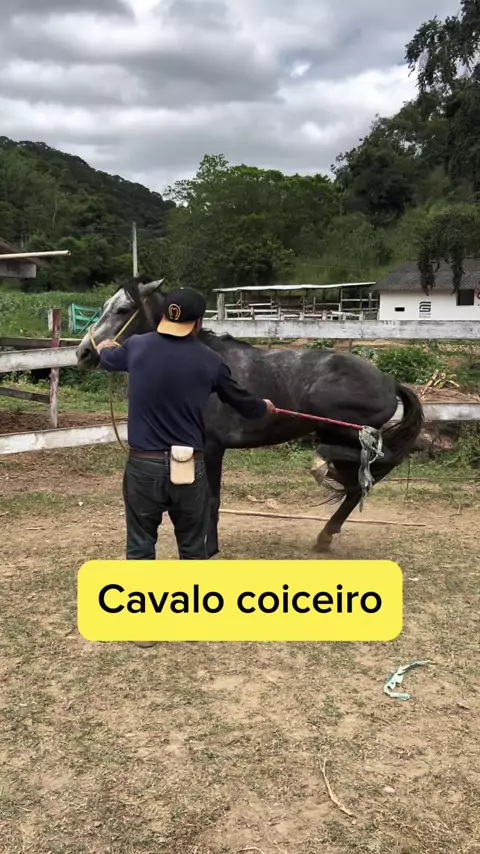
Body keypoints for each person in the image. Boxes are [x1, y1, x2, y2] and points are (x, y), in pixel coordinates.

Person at [97, 287, 276, 563]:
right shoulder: (211, 361)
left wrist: (106, 346)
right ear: (199, 322)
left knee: (140, 549)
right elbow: (245, 404)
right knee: (193, 550)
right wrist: (264, 406)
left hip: (143, 467)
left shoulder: (136, 346)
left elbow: (106, 356)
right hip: (187, 467)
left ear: (165, 316)